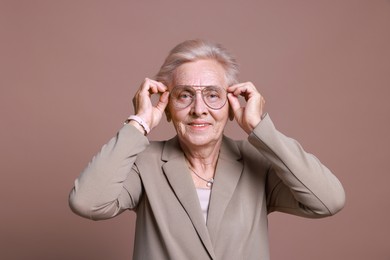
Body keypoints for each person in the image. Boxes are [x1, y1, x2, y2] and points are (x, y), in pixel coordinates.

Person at [69, 39, 345, 260]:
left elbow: (327, 201)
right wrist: (138, 123)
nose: (199, 109)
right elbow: (87, 202)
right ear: (166, 109)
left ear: (231, 106)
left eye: (213, 95)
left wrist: (260, 129)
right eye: (185, 95)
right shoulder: (144, 163)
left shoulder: (256, 162)